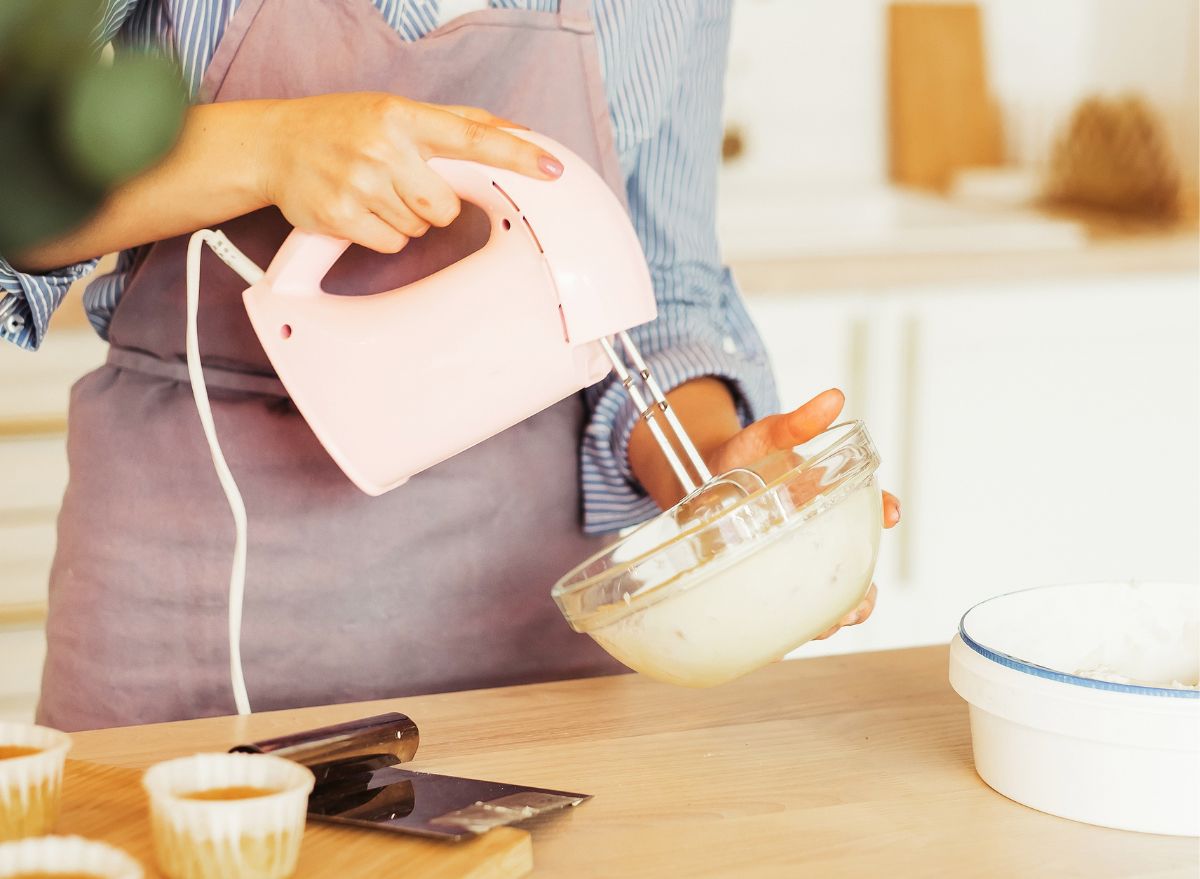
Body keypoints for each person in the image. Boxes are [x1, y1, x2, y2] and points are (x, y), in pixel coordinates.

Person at [1, 0, 900, 732]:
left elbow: (663, 290)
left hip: (531, 632)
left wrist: (712, 474)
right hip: (188, 616)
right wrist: (267, 148)